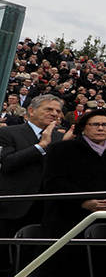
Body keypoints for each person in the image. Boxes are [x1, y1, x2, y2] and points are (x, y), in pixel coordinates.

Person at [40, 109, 106, 277]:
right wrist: (84, 202)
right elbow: (53, 183)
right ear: (83, 128)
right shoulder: (62, 150)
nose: (100, 128)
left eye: (105, 125)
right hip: (68, 219)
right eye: (95, 124)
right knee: (65, 273)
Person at [0, 94, 69, 237]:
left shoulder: (61, 138)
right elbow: (7, 163)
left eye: (57, 111)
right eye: (49, 109)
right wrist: (41, 146)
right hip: (14, 207)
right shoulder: (8, 132)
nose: (54, 114)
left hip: (47, 209)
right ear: (31, 110)